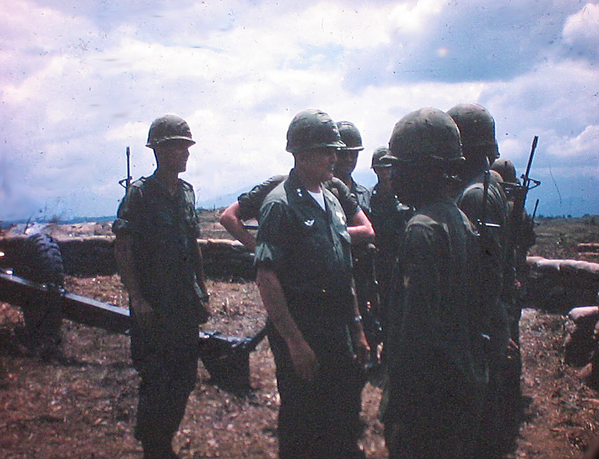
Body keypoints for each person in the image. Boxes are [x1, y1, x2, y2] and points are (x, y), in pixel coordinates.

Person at [255, 108, 370, 459]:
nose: (334, 158)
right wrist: (295, 342)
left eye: (335, 150)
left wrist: (357, 326)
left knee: (340, 419)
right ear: (301, 155)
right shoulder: (280, 205)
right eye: (325, 150)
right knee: (302, 425)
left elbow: (342, 269)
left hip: (336, 328)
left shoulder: (332, 201)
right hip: (303, 328)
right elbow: (267, 277)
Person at [383, 107, 487, 459]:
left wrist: (397, 406)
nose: (392, 177)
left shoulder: (422, 229)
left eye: (399, 167)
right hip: (456, 387)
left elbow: (416, 334)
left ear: (423, 169)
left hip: (425, 402)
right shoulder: (458, 219)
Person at [113, 114, 209, 459]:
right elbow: (123, 247)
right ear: (158, 151)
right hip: (154, 305)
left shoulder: (186, 193)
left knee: (184, 377)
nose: (185, 153)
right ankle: (154, 446)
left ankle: (161, 441)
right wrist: (137, 298)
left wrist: (202, 288)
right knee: (156, 378)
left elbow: (193, 243)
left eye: (186, 146)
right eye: (177, 147)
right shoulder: (139, 194)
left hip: (184, 302)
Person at [447, 103, 512, 458]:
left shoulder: (475, 195)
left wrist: (474, 325)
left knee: (478, 420)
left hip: (478, 320)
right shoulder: (484, 186)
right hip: (483, 317)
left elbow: (485, 272)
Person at [219, 175, 374, 252]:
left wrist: (324, 234)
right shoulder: (278, 186)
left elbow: (367, 230)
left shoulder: (335, 188)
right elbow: (228, 217)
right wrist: (258, 249)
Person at [368, 147, 412, 328]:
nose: (385, 172)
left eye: (388, 168)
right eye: (381, 168)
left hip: (402, 263)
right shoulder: (369, 197)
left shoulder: (406, 197)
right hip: (378, 264)